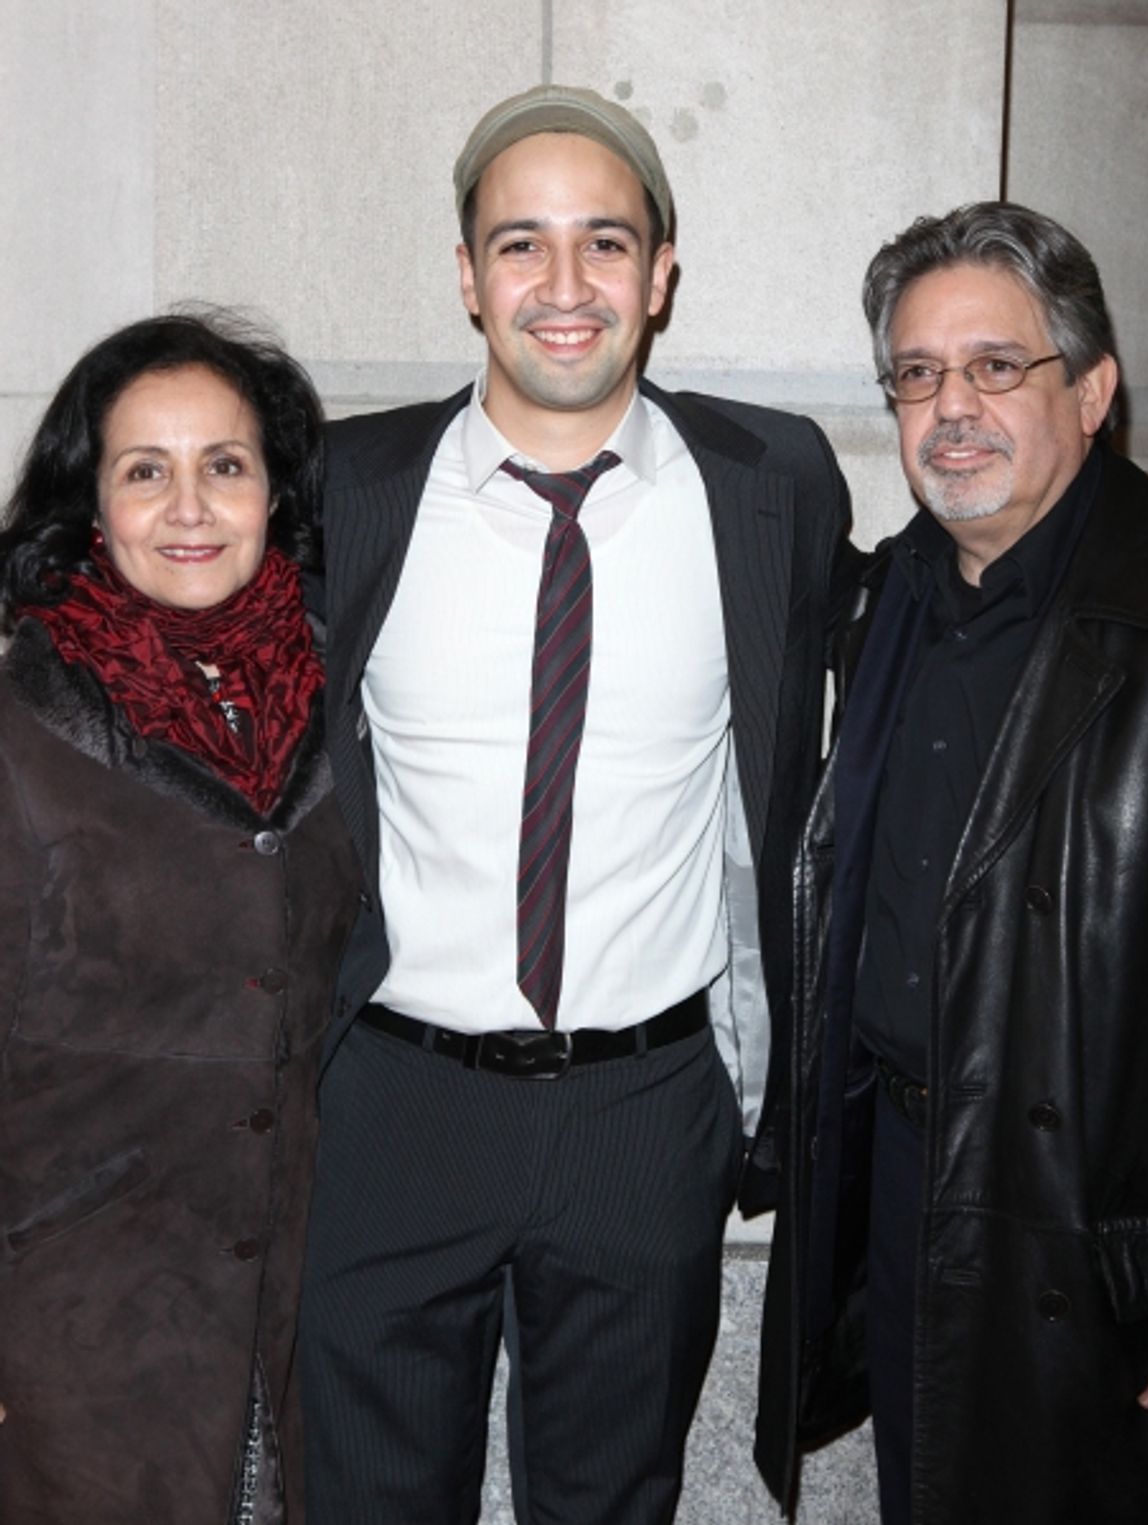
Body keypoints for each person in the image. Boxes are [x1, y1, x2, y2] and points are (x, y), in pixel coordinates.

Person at [298, 84, 852, 1524]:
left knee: (612, 1503)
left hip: (644, 1111)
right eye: (520, 244)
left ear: (660, 275)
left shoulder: (771, 482)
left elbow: (919, 606)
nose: (564, 285)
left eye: (604, 242)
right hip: (393, 1102)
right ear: (467, 275)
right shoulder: (347, 487)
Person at [754, 201, 1148, 1525]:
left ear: (1093, 392)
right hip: (907, 1185)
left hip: (1098, 1243)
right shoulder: (884, 599)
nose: (952, 406)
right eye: (918, 373)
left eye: (998, 366)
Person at [0, 311, 362, 1524]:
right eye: (146, 471)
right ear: (91, 507)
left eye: (225, 464)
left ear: (275, 492)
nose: (191, 507)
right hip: (77, 1335)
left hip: (295, 1322)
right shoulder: (23, 727)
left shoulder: (349, 705)